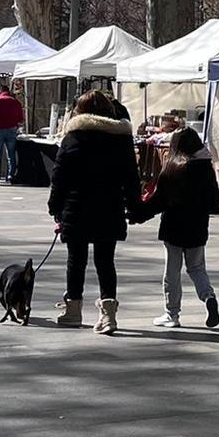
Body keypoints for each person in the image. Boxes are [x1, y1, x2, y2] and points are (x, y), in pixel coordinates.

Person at [46, 89, 140, 334]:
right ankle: (108, 315)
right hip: (110, 207)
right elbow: (132, 177)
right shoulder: (121, 139)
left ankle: (73, 311)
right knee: (105, 261)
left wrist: (54, 205)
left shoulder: (73, 137)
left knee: (76, 260)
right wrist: (135, 206)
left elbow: (59, 176)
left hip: (76, 208)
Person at [139, 126, 219, 328]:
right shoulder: (206, 167)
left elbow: (158, 201)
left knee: (172, 272)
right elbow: (214, 200)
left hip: (173, 227)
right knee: (197, 268)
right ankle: (208, 297)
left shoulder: (173, 167)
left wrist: (138, 213)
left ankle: (172, 313)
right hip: (197, 227)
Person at [0, 84, 24, 186]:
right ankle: (11, 175)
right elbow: (20, 117)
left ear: (0, 91)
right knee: (11, 154)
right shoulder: (15, 102)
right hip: (11, 129)